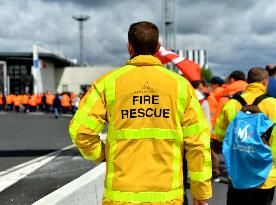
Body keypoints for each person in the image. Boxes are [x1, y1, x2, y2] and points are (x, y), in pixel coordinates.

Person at [69, 21, 212, 205]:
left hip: (120, 198)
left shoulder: (108, 83)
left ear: (129, 47)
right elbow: (198, 143)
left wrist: (102, 154)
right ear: (158, 47)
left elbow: (80, 131)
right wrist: (201, 192)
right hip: (167, 198)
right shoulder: (181, 86)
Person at [214, 67, 276, 205]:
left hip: (238, 175)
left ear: (248, 81)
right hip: (264, 177)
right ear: (265, 82)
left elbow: (219, 135)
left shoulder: (232, 104)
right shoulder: (273, 105)